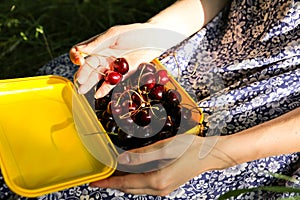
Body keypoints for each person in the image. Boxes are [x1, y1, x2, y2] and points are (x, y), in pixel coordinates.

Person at [1, 0, 299, 199]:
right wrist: (154, 33)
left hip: (265, 127)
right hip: (198, 48)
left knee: (106, 183)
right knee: (52, 111)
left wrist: (218, 153)